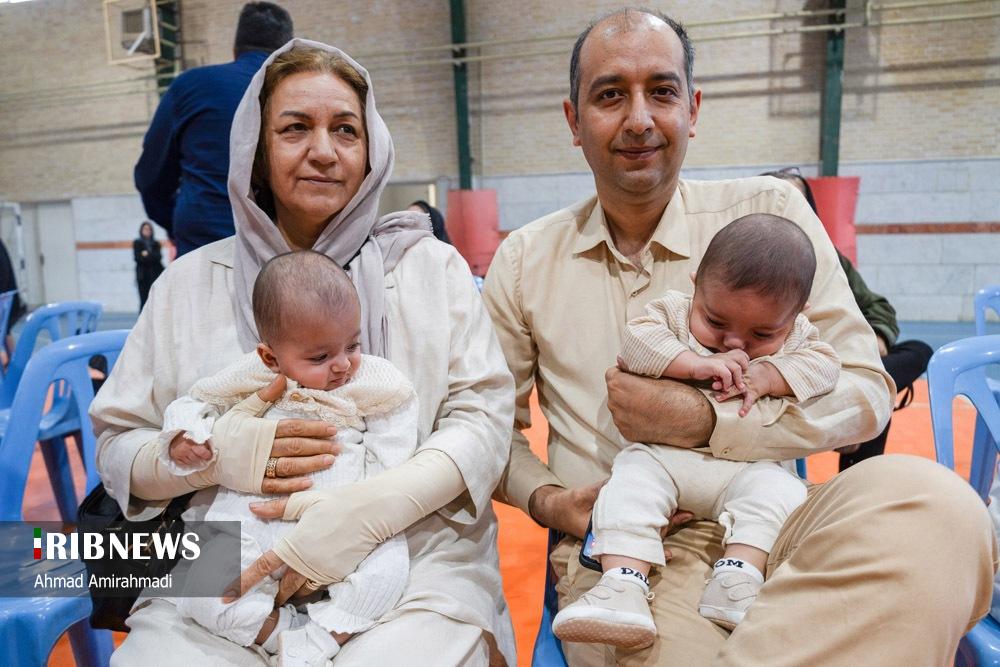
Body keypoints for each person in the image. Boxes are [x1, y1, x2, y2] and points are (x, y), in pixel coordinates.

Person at [483, 9, 995, 665]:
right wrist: (555, 502)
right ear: (573, 120)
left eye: (661, 91)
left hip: (774, 515)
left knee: (941, 509)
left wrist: (708, 420)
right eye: (610, 95)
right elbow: (488, 428)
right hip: (636, 547)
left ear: (692, 109)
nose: (639, 118)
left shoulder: (770, 215)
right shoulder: (526, 261)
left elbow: (866, 389)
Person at [92, 39, 515, 666]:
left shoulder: (430, 268)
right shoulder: (188, 284)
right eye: (295, 129)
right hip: (221, 547)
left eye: (346, 129)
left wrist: (373, 510)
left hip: (413, 549)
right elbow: (118, 447)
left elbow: (483, 419)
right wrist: (212, 462)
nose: (323, 150)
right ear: (257, 153)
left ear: (371, 151)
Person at [553, 214, 835, 648]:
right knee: (629, 483)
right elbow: (636, 344)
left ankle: (738, 579)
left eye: (762, 333)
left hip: (745, 468)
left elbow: (825, 367)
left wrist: (769, 375)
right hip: (663, 459)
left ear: (797, 316)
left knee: (781, 491)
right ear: (695, 287)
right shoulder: (673, 313)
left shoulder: (798, 337)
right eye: (716, 322)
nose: (734, 343)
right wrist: (696, 365)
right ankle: (622, 584)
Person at [163, 250, 417, 665]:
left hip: (343, 519)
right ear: (270, 356)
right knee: (200, 590)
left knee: (388, 570)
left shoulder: (373, 379)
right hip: (251, 520)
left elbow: (395, 444)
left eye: (352, 344)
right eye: (320, 357)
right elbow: (195, 400)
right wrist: (185, 435)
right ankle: (280, 633)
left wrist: (369, 505)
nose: (343, 365)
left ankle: (322, 638)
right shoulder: (252, 374)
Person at [761, 168, 935, 472]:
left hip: (838, 362)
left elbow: (876, 305)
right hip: (783, 370)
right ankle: (849, 417)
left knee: (914, 353)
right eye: (779, 201)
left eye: (797, 203)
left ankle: (851, 420)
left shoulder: (829, 256)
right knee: (875, 389)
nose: (788, 211)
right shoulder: (746, 260)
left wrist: (877, 338)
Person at [134, 2, 294, 257]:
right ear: (287, 54)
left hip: (203, 244)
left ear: (235, 50)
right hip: (282, 249)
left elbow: (150, 178)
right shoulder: (300, 92)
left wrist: (176, 223)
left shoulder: (190, 86)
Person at [133, 221, 164, 310]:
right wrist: (151, 256)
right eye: (145, 229)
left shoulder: (156, 243)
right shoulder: (137, 243)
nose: (147, 231)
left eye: (149, 229)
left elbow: (158, 257)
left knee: (154, 300)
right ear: (141, 230)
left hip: (154, 275)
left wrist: (147, 254)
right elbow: (138, 258)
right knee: (143, 300)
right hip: (142, 276)